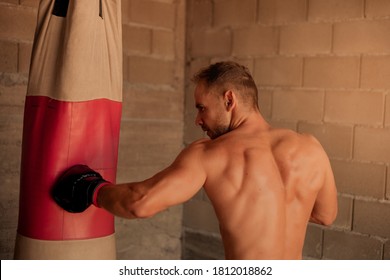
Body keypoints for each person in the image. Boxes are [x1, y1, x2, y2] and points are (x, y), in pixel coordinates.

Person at [52, 61, 338, 260]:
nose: (198, 119)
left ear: (229, 100)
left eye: (202, 108)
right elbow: (327, 216)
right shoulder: (310, 146)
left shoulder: (209, 153)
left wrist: (91, 189)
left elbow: (140, 203)